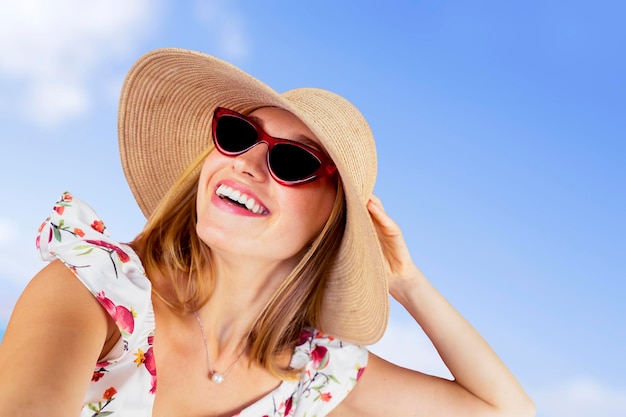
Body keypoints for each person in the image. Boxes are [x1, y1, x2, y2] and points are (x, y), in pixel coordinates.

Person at [0, 48, 534, 417]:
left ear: (333, 222)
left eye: (293, 161)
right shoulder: (94, 291)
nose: (248, 162)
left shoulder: (310, 371)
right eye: (237, 134)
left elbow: (504, 410)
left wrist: (407, 281)